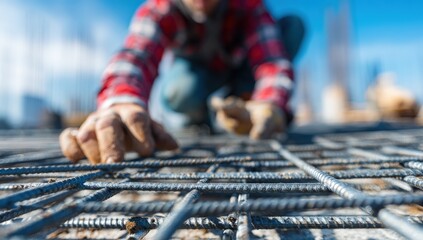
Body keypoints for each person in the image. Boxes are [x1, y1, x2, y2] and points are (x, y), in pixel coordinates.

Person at [60, 0, 305, 164]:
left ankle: (245, 106)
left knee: (292, 27)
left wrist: (271, 103)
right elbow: (136, 56)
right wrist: (120, 102)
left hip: (244, 72)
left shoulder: (248, 6)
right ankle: (199, 117)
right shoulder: (161, 9)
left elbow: (272, 61)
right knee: (181, 92)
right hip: (196, 76)